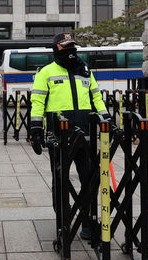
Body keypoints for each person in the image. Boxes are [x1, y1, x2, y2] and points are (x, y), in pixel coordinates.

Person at [29, 32, 110, 240]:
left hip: (85, 134)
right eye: (65, 46)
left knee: (89, 180)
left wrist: (105, 119)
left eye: (72, 46)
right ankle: (63, 223)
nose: (70, 50)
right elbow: (37, 102)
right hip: (59, 135)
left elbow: (96, 97)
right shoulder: (46, 72)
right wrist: (35, 129)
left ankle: (88, 222)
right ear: (56, 49)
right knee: (60, 181)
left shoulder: (85, 71)